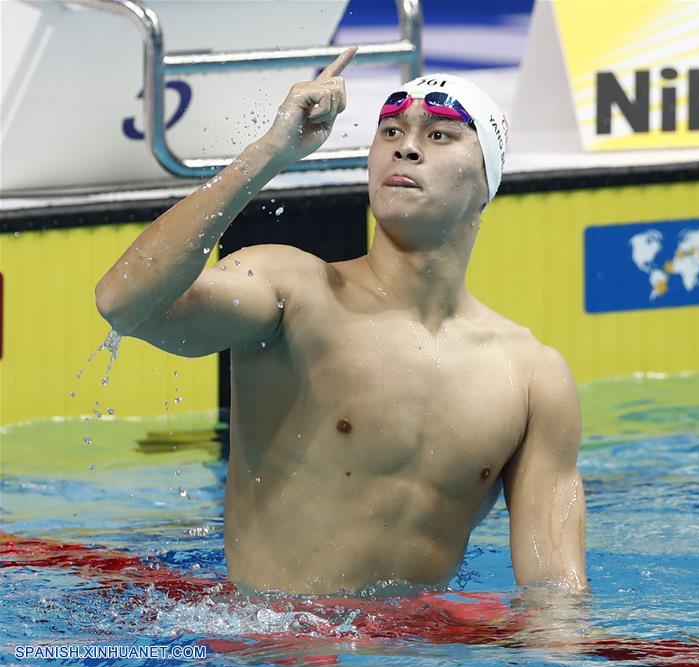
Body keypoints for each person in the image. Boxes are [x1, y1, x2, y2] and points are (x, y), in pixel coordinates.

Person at [95, 47, 586, 596]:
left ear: (487, 179)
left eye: (440, 135)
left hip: (424, 658)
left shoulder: (531, 377)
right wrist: (265, 156)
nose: (407, 147)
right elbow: (125, 302)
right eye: (391, 131)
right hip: (270, 654)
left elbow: (555, 593)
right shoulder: (292, 292)